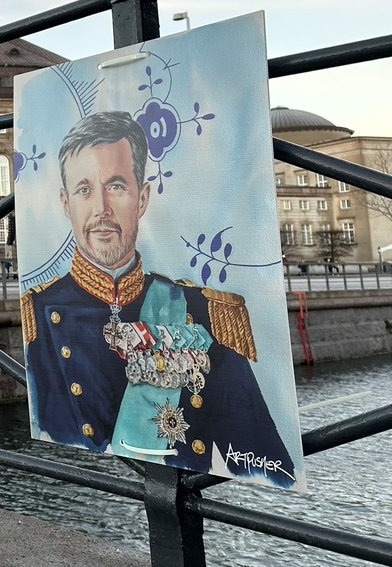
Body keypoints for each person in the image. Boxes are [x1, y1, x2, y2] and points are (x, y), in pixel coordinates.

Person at [21, 111, 297, 487]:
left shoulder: (204, 311)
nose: (101, 209)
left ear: (143, 197)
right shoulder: (37, 313)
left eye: (116, 186)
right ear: (66, 203)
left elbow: (266, 465)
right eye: (85, 190)